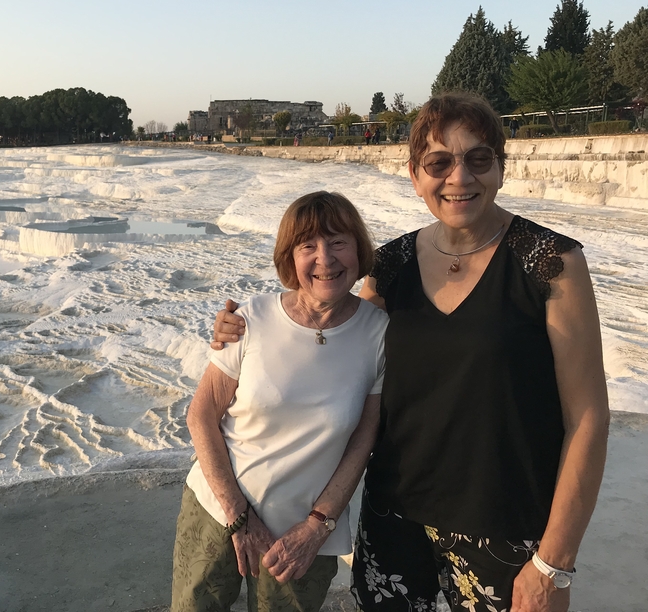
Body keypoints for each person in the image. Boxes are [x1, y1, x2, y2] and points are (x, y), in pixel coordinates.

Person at [212, 92, 609, 612]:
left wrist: (554, 563)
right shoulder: (391, 264)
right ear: (415, 175)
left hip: (506, 527)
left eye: (478, 158)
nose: (459, 177)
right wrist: (246, 328)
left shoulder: (550, 262)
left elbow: (588, 418)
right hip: (394, 520)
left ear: (501, 167)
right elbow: (333, 337)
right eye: (439, 163)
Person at [172, 192, 388, 612]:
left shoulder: (378, 334)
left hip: (305, 532)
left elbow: (364, 439)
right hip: (217, 509)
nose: (325, 259)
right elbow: (201, 415)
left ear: (359, 250)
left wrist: (319, 525)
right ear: (290, 258)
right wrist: (238, 516)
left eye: (338, 242)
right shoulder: (250, 319)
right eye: (308, 246)